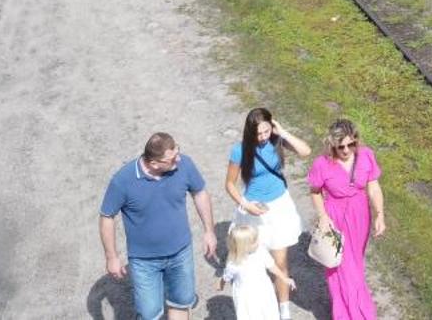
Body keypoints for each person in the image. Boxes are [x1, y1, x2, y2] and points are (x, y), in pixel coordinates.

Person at [99, 132, 217, 320]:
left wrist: (209, 231)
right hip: (144, 262)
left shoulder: (184, 164)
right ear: (154, 164)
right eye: (172, 159)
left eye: (178, 152)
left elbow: (200, 193)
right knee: (149, 313)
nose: (179, 160)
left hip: (181, 253)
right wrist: (111, 257)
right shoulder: (123, 181)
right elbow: (107, 217)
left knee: (180, 303)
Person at [225, 107, 311, 319]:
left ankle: (284, 310)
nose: (263, 137)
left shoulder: (276, 140)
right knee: (254, 264)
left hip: (280, 207)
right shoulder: (240, 150)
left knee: (279, 262)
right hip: (254, 210)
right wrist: (246, 205)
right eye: (259, 133)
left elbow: (305, 151)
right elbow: (229, 185)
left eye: (266, 131)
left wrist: (282, 132)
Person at [306, 120, 384, 320]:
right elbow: (315, 192)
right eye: (341, 146)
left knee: (356, 264)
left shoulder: (366, 155)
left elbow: (373, 187)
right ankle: (357, 314)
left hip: (360, 216)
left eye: (351, 144)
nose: (347, 150)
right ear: (332, 144)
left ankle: (349, 310)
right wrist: (323, 217)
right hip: (336, 218)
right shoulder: (322, 164)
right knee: (343, 267)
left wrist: (380, 214)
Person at [217, 224, 292, 320]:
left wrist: (284, 278)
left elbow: (227, 276)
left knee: (259, 313)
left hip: (254, 291)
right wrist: (221, 283)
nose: (258, 241)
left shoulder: (237, 260)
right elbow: (226, 276)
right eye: (254, 240)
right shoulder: (239, 261)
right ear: (244, 246)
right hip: (254, 293)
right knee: (259, 313)